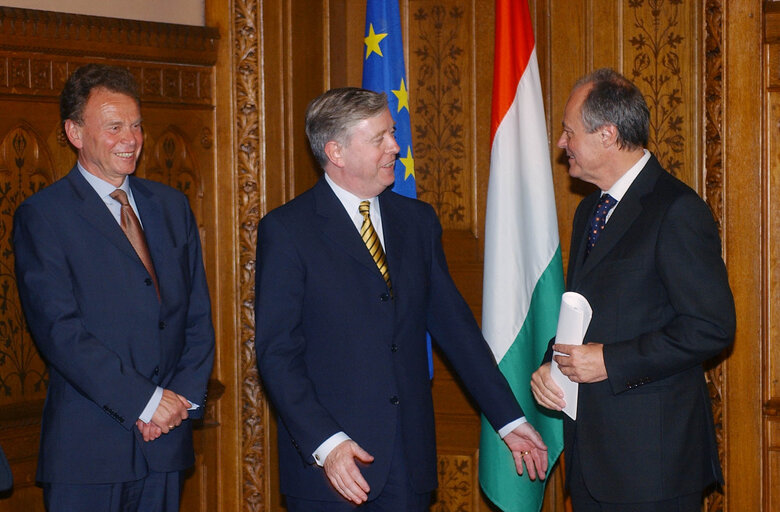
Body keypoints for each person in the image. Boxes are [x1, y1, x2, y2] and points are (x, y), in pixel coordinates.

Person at [254, 87, 548, 511]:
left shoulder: (417, 222)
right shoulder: (288, 231)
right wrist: (327, 443)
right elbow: (277, 354)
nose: (396, 146)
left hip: (408, 462)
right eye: (380, 138)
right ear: (336, 151)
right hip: (332, 469)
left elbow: (457, 331)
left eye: (391, 133)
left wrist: (508, 418)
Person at [530, 68, 736, 511]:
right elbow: (592, 313)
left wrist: (610, 360)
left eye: (569, 132)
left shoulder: (676, 210)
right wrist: (554, 363)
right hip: (591, 460)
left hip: (652, 466)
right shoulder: (589, 210)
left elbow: (711, 327)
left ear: (607, 135)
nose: (562, 143)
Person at [13, 63, 215, 511]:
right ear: (75, 132)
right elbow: (60, 333)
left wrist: (175, 403)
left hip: (165, 446)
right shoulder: (44, 217)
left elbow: (197, 317)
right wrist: (145, 402)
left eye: (137, 125)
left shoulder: (171, 207)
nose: (131, 139)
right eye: (114, 127)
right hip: (88, 454)